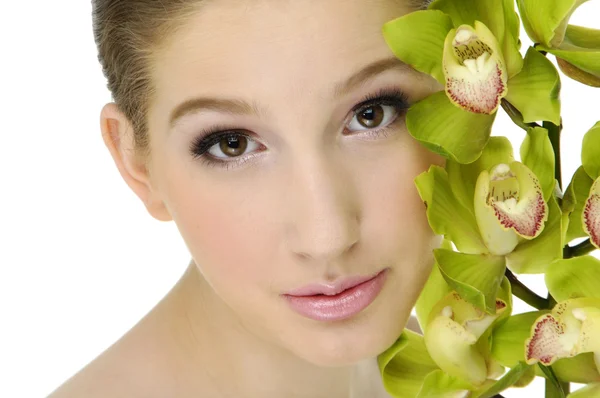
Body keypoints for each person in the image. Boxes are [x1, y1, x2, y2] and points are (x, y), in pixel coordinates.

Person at [48, 0, 444, 396]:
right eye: (231, 145)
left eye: (371, 114)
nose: (327, 237)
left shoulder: (462, 369)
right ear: (136, 163)